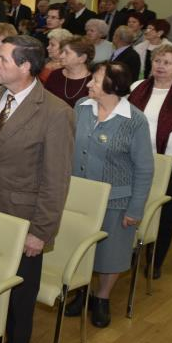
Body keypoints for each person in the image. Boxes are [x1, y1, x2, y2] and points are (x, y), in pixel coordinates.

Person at [0, 35, 75, 343]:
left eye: (1, 59)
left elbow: (56, 179)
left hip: (22, 220)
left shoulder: (56, 113)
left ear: (26, 66)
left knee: (19, 293)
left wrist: (41, 231)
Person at [63, 62, 153, 326]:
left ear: (113, 86)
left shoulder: (134, 121)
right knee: (80, 248)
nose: (89, 84)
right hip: (78, 197)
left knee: (111, 253)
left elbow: (145, 169)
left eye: (96, 80)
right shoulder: (82, 107)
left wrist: (135, 209)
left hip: (117, 200)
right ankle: (83, 290)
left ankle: (101, 297)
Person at [129, 44, 172, 279]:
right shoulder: (137, 87)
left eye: (167, 62)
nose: (160, 65)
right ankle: (128, 252)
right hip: (134, 159)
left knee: (165, 212)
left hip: (171, 162)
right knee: (132, 206)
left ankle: (155, 260)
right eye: (158, 60)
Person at [44, 36, 94, 107]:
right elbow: (45, 101)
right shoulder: (55, 74)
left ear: (82, 58)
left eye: (67, 53)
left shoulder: (93, 80)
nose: (61, 56)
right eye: (62, 52)